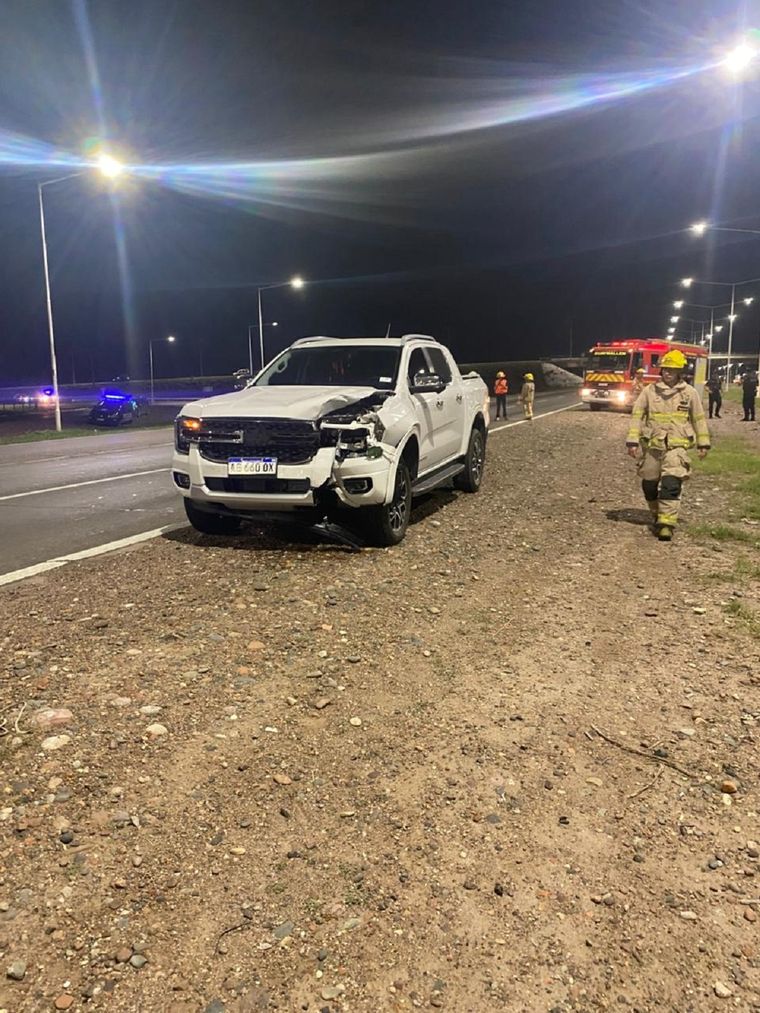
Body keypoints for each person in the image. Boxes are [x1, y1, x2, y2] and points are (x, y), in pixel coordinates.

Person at [626, 349, 710, 542]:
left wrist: (703, 443)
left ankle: (666, 524)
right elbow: (637, 416)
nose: (668, 373)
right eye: (665, 369)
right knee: (649, 484)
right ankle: (656, 513)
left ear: (680, 371)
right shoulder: (649, 391)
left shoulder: (689, 394)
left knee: (671, 484)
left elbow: (698, 418)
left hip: (677, 447)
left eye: (672, 369)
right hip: (653, 446)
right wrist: (632, 441)